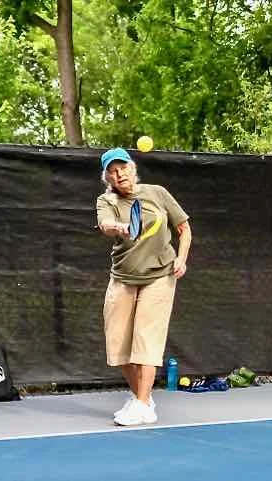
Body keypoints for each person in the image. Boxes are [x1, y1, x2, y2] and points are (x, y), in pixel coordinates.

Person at [96, 147, 192, 426]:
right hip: (123, 277)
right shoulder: (106, 200)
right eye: (113, 171)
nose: (119, 174)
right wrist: (119, 228)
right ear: (108, 178)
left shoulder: (157, 193)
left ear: (133, 168)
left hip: (160, 275)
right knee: (117, 343)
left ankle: (140, 404)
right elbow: (105, 225)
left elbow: (184, 228)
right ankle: (144, 398)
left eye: (123, 167)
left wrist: (182, 259)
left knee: (145, 340)